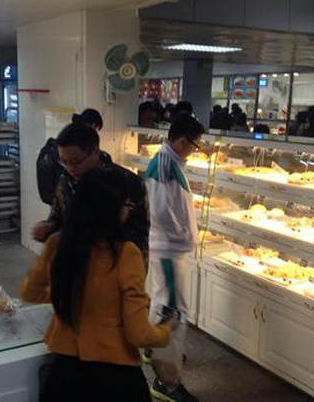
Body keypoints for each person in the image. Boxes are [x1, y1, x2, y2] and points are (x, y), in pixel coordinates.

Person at [20, 169, 173, 402]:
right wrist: (165, 332)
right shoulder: (126, 253)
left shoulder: (57, 243)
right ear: (112, 209)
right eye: (127, 204)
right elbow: (138, 333)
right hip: (115, 373)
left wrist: (72, 292)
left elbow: (30, 292)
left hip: (65, 370)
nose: (128, 210)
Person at [144, 115, 203, 402]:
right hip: (169, 250)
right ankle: (166, 382)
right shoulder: (165, 166)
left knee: (162, 303)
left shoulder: (169, 161)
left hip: (170, 249)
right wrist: (183, 234)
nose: (195, 150)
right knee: (173, 312)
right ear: (181, 141)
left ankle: (153, 349)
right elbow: (160, 212)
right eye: (195, 145)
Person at [32, 123, 149, 262]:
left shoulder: (127, 183)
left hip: (114, 266)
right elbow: (58, 215)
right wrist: (49, 226)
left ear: (95, 151)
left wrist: (106, 232)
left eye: (76, 162)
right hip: (73, 266)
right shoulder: (67, 180)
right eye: (63, 162)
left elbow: (140, 235)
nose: (70, 168)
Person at [36, 108, 105, 206]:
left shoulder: (52, 147)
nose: (71, 169)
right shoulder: (73, 154)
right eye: (65, 162)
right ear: (94, 126)